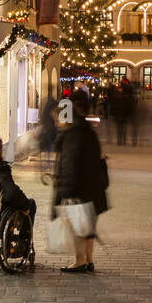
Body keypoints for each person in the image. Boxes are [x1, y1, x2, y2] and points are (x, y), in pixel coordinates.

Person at [54, 89, 109, 273]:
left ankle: (79, 261)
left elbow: (70, 164)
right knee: (88, 226)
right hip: (94, 187)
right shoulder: (87, 131)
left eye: (58, 119)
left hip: (79, 189)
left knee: (79, 227)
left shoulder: (72, 135)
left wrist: (66, 190)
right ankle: (89, 259)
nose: (57, 123)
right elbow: (101, 159)